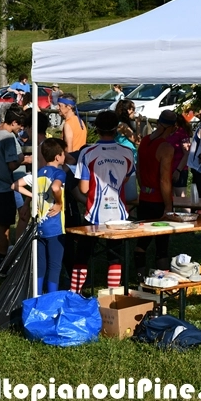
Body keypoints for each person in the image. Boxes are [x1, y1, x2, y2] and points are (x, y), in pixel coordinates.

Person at [73, 110, 135, 291]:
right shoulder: (128, 152)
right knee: (114, 256)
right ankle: (112, 294)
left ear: (97, 129)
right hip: (119, 214)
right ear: (116, 129)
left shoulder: (87, 152)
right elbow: (125, 180)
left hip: (94, 213)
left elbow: (84, 189)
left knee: (82, 254)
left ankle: (74, 293)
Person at [13, 138, 67, 294]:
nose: (65, 156)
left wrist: (33, 195)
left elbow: (15, 185)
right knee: (54, 266)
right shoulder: (59, 173)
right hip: (56, 227)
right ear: (58, 156)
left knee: (40, 266)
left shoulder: (37, 173)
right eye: (63, 153)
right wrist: (58, 203)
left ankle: (36, 296)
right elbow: (56, 187)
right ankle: (51, 299)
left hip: (39, 226)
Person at [0, 104, 30, 269]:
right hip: (2, 187)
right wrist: (23, 159)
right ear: (14, 122)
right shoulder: (8, 137)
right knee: (4, 227)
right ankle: (2, 263)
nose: (21, 128)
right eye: (20, 125)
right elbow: (11, 165)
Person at [135, 110, 177, 280]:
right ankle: (163, 282)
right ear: (172, 127)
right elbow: (164, 179)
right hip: (158, 199)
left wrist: (143, 188)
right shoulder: (166, 148)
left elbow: (138, 170)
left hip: (144, 197)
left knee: (142, 242)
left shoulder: (145, 141)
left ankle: (139, 277)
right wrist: (168, 205)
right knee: (162, 244)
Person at [168, 114, 192, 199]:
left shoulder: (182, 133)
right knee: (168, 195)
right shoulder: (168, 133)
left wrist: (178, 170)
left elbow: (186, 153)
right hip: (168, 168)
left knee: (181, 196)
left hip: (179, 168)